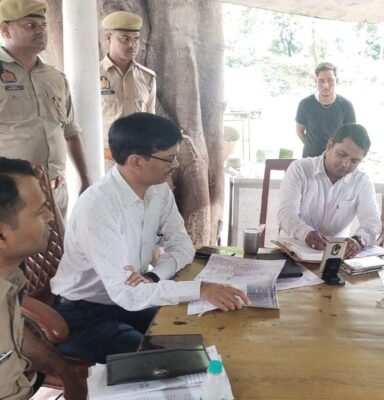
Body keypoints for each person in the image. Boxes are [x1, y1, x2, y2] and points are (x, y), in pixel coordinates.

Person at [50, 113, 249, 363]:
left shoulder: (158, 190)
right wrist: (202, 288)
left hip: (132, 297)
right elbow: (126, 292)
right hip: (83, 314)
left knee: (202, 332)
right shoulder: (98, 207)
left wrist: (154, 276)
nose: (176, 165)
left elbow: (182, 247)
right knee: (166, 359)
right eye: (169, 158)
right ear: (136, 161)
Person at [0, 157, 86, 400]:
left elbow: (17, 332)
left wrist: (65, 372)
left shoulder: (10, 277)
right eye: (40, 211)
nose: (50, 216)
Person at [0, 0, 90, 219]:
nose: (40, 31)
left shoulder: (55, 78)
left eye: (43, 25)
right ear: (5, 29)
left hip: (56, 191)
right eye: (30, 25)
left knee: (60, 241)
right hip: (11, 195)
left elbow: (71, 132)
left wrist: (86, 178)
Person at [278, 123, 381, 259]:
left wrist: (358, 241)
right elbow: (286, 213)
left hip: (337, 256)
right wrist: (305, 233)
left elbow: (372, 220)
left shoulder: (362, 182)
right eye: (341, 154)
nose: (345, 164)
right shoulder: (300, 169)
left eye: (354, 161)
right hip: (293, 252)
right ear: (329, 146)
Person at [99, 10, 156, 160]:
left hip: (139, 159)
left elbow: (150, 122)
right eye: (125, 39)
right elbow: (81, 126)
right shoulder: (92, 75)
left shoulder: (147, 77)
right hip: (103, 160)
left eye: (136, 39)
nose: (131, 45)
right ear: (108, 38)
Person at [295, 62, 356, 157]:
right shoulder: (305, 104)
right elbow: (299, 131)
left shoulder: (346, 105)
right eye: (321, 81)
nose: (326, 85)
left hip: (336, 159)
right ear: (316, 81)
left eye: (330, 80)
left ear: (337, 81)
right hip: (310, 158)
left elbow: (350, 134)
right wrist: (311, 146)